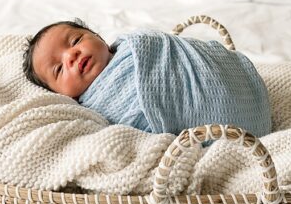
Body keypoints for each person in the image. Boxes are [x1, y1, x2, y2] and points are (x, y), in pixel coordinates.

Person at [23, 18, 271, 137]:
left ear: (98, 37)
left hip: (231, 85)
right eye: (58, 69)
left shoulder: (139, 46)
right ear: (59, 94)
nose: (72, 55)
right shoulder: (90, 110)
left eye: (76, 40)